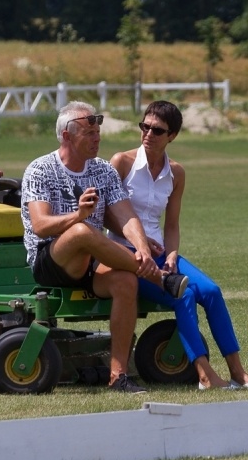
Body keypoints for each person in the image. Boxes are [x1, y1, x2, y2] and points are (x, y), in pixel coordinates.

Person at [21, 100, 189, 394]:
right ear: (67, 136)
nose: (97, 138)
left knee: (125, 281)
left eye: (98, 132)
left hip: (90, 262)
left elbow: (127, 217)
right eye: (89, 133)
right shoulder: (40, 169)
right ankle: (160, 278)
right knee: (81, 231)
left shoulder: (103, 171)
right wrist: (78, 215)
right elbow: (40, 225)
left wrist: (143, 250)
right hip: (51, 261)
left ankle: (118, 375)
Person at [110, 100, 248, 390]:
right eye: (144, 126)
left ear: (172, 136)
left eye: (157, 130)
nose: (148, 134)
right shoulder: (122, 162)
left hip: (161, 255)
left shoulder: (177, 173)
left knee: (211, 291)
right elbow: (107, 214)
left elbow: (171, 225)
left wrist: (171, 255)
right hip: (126, 253)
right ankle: (205, 374)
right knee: (184, 294)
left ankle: (238, 372)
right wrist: (141, 244)